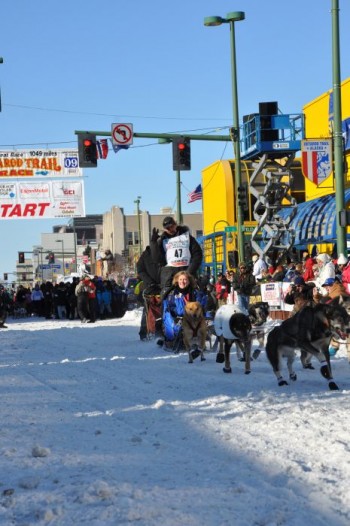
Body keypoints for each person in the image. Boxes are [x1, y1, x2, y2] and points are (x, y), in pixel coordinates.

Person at [150, 216, 203, 297]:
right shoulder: (162, 240)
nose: (170, 229)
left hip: (187, 270)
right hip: (169, 274)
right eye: (167, 228)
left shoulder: (187, 237)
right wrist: (153, 243)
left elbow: (197, 254)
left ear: (175, 225)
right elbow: (157, 259)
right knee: (167, 298)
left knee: (192, 297)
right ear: (164, 229)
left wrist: (189, 271)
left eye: (171, 226)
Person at [159, 270, 206, 348]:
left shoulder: (195, 292)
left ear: (189, 281)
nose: (182, 282)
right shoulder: (172, 294)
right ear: (177, 280)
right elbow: (169, 309)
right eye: (180, 279)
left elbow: (202, 304)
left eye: (185, 279)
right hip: (176, 319)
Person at [136, 245, 162, 340]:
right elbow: (140, 269)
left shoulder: (164, 252)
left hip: (163, 286)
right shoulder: (145, 255)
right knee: (147, 310)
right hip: (150, 287)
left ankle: (162, 330)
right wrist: (149, 282)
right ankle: (144, 331)